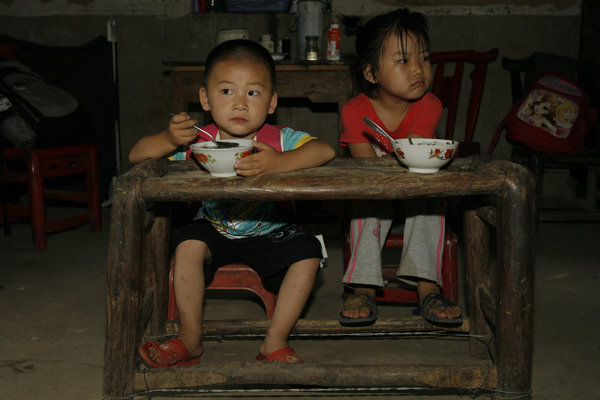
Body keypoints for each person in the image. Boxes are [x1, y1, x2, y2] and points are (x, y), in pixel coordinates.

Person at [131, 39, 336, 367]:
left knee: (310, 253)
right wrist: (169, 139)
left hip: (271, 231)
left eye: (253, 93)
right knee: (187, 245)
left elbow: (325, 150)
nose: (240, 104)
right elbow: (136, 155)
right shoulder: (199, 141)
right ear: (205, 98)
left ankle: (275, 340)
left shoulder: (279, 139)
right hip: (214, 226)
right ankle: (190, 338)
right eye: (227, 91)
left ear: (272, 102)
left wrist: (279, 163)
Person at [338, 8, 462, 327]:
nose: (419, 69)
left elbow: (414, 157)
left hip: (415, 188)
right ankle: (363, 287)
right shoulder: (355, 111)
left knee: (428, 200)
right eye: (403, 61)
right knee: (367, 206)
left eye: (424, 58)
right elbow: (367, 171)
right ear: (371, 74)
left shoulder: (429, 105)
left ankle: (428, 289)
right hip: (374, 190)